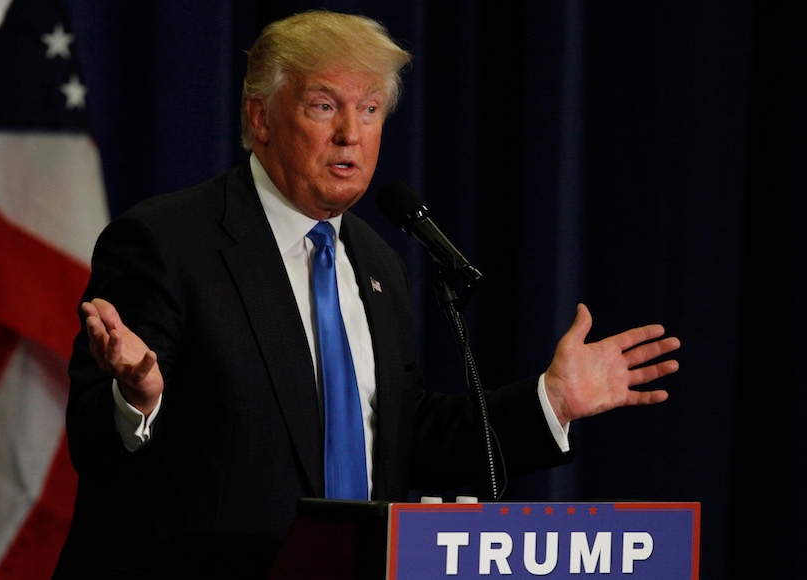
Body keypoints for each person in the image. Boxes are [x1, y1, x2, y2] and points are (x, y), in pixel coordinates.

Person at [52, 9, 680, 579]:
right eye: (324, 106)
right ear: (260, 117)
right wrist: (135, 399)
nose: (351, 133)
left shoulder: (378, 262)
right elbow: (92, 440)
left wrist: (552, 402)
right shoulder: (168, 241)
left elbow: (402, 435)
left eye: (371, 109)